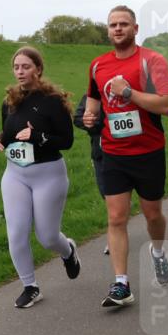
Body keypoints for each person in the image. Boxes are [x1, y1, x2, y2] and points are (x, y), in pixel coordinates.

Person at [82, 5, 168, 308]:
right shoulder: (98, 65)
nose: (117, 29)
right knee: (116, 217)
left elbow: (165, 104)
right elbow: (94, 99)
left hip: (148, 152)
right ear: (107, 30)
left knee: (152, 215)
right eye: (112, 25)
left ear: (136, 28)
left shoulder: (152, 61)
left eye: (123, 24)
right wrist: (90, 116)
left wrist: (128, 93)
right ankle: (121, 283)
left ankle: (158, 253)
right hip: (113, 152)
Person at [0, 47, 80, 308]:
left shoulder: (53, 101)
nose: (20, 72)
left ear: (38, 69)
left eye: (25, 66)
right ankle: (30, 286)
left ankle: (68, 250)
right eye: (16, 67)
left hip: (48, 175)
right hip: (15, 175)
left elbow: (67, 141)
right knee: (16, 233)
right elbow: (8, 133)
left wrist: (39, 136)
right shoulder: (10, 101)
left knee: (47, 237)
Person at [73, 94, 110, 254]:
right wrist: (88, 122)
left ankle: (114, 233)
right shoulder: (91, 95)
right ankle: (118, 223)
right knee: (106, 194)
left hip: (126, 151)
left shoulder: (125, 90)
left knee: (116, 197)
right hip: (100, 152)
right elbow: (78, 117)